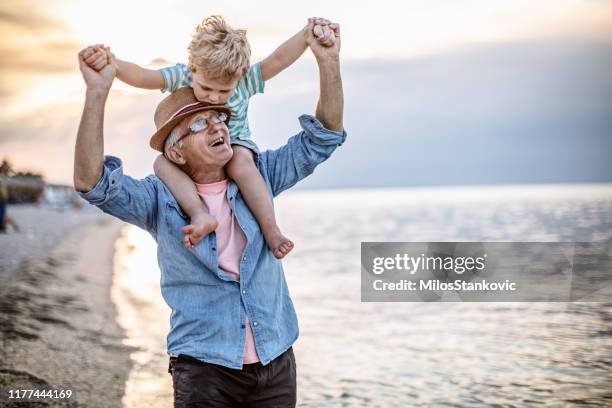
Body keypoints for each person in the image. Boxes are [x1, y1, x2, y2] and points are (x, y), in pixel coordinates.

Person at [74, 21, 343, 408]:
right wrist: (98, 92)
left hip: (277, 358)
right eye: (200, 121)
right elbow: (91, 182)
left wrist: (328, 61)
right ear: (176, 152)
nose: (217, 123)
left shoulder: (260, 176)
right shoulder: (158, 199)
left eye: (220, 115)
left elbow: (324, 137)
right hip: (203, 368)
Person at [80, 16, 337, 259]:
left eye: (223, 92)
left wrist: (306, 36)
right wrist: (114, 64)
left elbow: (279, 59)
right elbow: (145, 76)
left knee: (239, 162)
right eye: (206, 89)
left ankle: (271, 229)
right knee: (160, 164)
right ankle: (199, 214)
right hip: (191, 165)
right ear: (194, 69)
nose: (213, 98)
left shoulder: (245, 81)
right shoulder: (184, 75)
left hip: (237, 143)